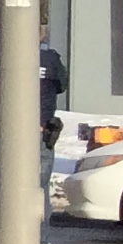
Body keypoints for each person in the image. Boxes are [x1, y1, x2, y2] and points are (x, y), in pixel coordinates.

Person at [40, 41, 68, 186]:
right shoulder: (51, 60)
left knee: (5, 183)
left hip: (7, 130)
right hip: (42, 127)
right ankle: (40, 208)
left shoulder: (1, 56)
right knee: (41, 185)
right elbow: (62, 85)